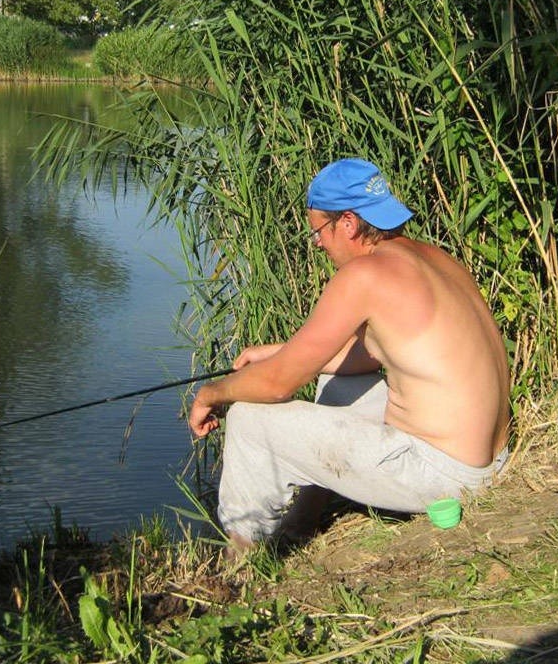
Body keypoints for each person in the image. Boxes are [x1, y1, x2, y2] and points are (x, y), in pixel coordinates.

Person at [188, 158, 511, 551]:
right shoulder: (433, 258)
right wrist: (278, 353)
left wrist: (211, 394)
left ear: (348, 223)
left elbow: (276, 387)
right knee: (339, 382)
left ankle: (244, 556)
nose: (319, 243)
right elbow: (369, 355)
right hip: (489, 461)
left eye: (319, 231)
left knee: (250, 418)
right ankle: (304, 519)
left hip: (444, 474)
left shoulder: (364, 276)